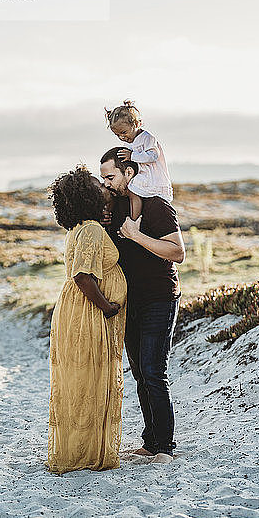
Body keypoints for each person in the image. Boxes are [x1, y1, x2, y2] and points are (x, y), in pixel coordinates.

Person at [100, 148, 185, 464]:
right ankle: (151, 443)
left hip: (159, 297)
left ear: (129, 173)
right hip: (129, 301)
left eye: (110, 176)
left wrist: (136, 236)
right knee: (139, 372)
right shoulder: (115, 206)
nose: (106, 183)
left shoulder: (156, 205)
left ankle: (164, 448)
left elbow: (177, 252)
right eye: (103, 178)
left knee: (153, 370)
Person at [46, 165, 127, 474]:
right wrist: (106, 306)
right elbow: (83, 275)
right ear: (88, 196)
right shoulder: (91, 230)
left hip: (76, 310)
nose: (104, 189)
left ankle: (79, 450)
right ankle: (85, 455)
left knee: (82, 381)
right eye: (98, 186)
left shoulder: (84, 227)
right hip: (88, 313)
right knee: (90, 381)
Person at [105, 100, 173, 220]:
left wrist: (132, 156)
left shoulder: (147, 138)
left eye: (124, 132)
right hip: (141, 175)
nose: (122, 137)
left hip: (153, 177)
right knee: (125, 191)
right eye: (117, 135)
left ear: (136, 124)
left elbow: (153, 155)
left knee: (133, 191)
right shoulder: (131, 142)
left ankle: (134, 220)